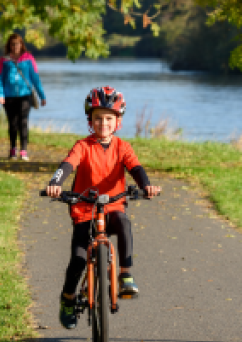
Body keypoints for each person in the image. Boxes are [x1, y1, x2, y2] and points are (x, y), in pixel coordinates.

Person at [45, 87, 161, 329]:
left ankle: (126, 274)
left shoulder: (123, 147)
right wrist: (55, 184)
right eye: (98, 118)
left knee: (123, 222)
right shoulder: (83, 146)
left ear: (117, 121)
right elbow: (67, 165)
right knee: (78, 259)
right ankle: (68, 299)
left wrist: (146, 186)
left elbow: (136, 169)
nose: (103, 123)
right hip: (84, 209)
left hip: (113, 205)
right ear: (90, 120)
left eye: (109, 118)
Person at [0, 33, 46, 161]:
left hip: (25, 96)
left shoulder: (29, 58)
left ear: (21, 44)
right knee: (13, 124)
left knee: (23, 122)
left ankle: (23, 150)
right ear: (9, 45)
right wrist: (0, 94)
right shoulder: (4, 60)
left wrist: (42, 96)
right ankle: (13, 149)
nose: (15, 46)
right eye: (12, 44)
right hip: (9, 96)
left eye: (17, 43)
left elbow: (35, 77)